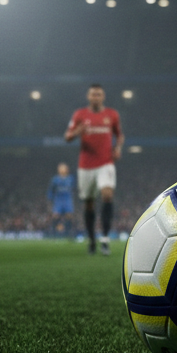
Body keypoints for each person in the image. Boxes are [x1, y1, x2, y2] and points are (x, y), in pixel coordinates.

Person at [65, 83, 123, 255]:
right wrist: (77, 132)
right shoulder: (80, 114)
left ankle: (104, 239)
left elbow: (119, 135)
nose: (95, 97)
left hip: (105, 163)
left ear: (103, 97)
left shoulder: (112, 115)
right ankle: (91, 240)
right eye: (93, 94)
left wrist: (118, 148)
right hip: (85, 165)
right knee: (89, 203)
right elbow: (67, 136)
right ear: (88, 97)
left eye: (98, 94)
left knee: (107, 194)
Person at [47, 162, 75, 235]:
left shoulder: (71, 179)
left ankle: (69, 232)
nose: (62, 170)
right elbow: (51, 189)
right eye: (61, 168)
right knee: (56, 215)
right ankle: (53, 232)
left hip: (67, 200)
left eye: (64, 168)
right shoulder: (55, 179)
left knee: (69, 216)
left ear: (67, 170)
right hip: (58, 200)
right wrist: (49, 197)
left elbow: (74, 188)